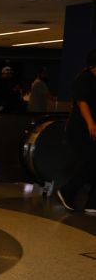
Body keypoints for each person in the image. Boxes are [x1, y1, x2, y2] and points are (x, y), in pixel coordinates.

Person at [57, 49, 96, 214]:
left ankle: (92, 202)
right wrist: (91, 124)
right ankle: (67, 191)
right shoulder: (84, 78)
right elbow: (82, 103)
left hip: (90, 127)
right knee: (91, 162)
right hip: (82, 128)